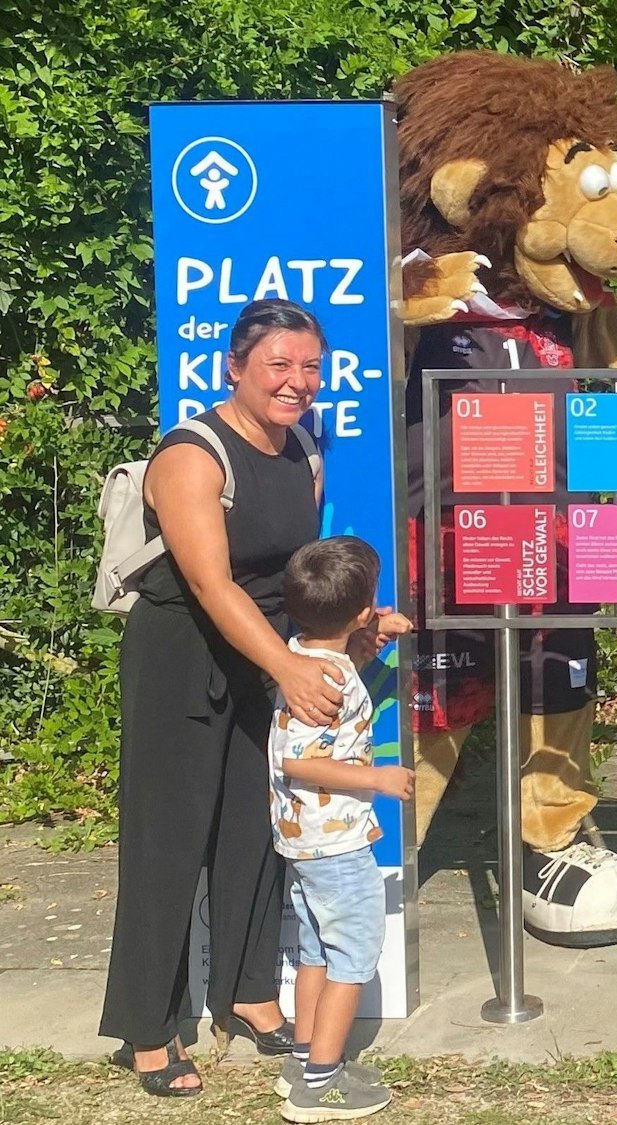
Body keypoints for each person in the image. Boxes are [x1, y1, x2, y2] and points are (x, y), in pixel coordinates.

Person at [99, 300, 350, 1096]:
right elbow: (209, 583)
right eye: (280, 365)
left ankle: (246, 994)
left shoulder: (303, 447)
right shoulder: (191, 454)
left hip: (262, 656)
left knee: (259, 830)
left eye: (310, 366)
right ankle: (147, 1027)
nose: (298, 382)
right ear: (233, 368)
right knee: (168, 842)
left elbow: (290, 573)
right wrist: (289, 666)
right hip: (182, 656)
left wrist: (350, 626)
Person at [266, 536, 414, 1122]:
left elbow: (345, 674)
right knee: (353, 955)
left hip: (306, 842)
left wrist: (377, 639)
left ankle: (304, 1057)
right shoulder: (320, 680)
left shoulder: (305, 655)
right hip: (335, 844)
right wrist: (376, 779)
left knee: (314, 952)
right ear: (359, 609)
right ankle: (320, 1083)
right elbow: (297, 759)